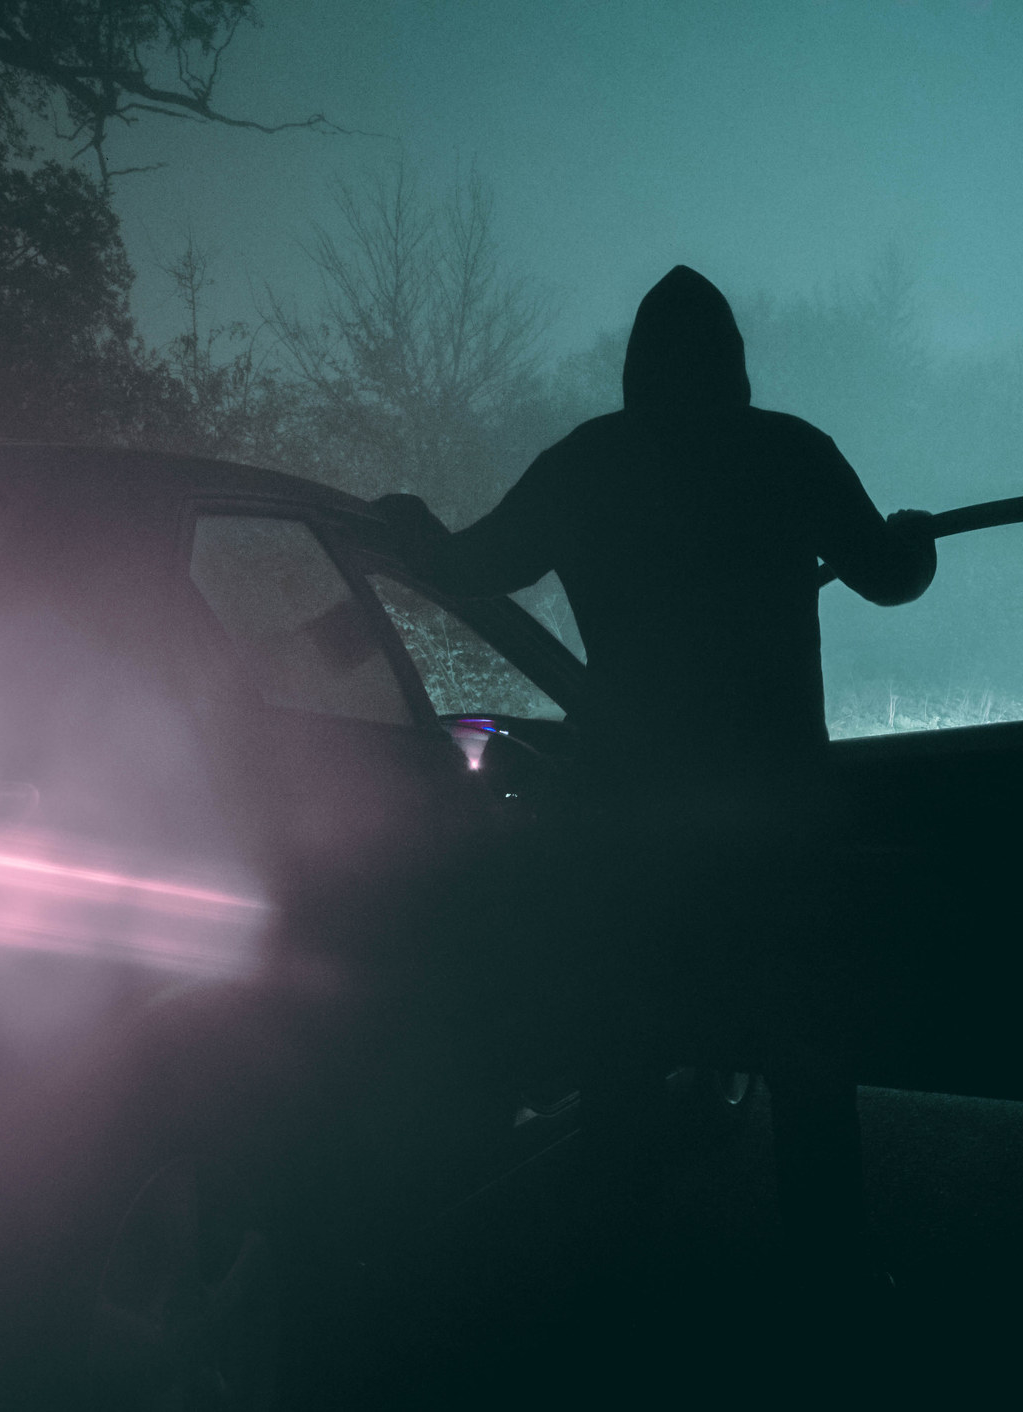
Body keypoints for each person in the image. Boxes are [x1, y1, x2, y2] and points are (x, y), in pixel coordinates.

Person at [371, 264, 935, 1291]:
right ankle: (831, 1290)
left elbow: (464, 565)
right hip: (779, 817)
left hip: (628, 819)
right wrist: (911, 536)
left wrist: (407, 528)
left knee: (621, 1052)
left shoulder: (587, 463)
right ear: (734, 360)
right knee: (808, 1062)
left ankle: (609, 1290)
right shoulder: (790, 451)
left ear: (636, 364)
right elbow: (892, 579)